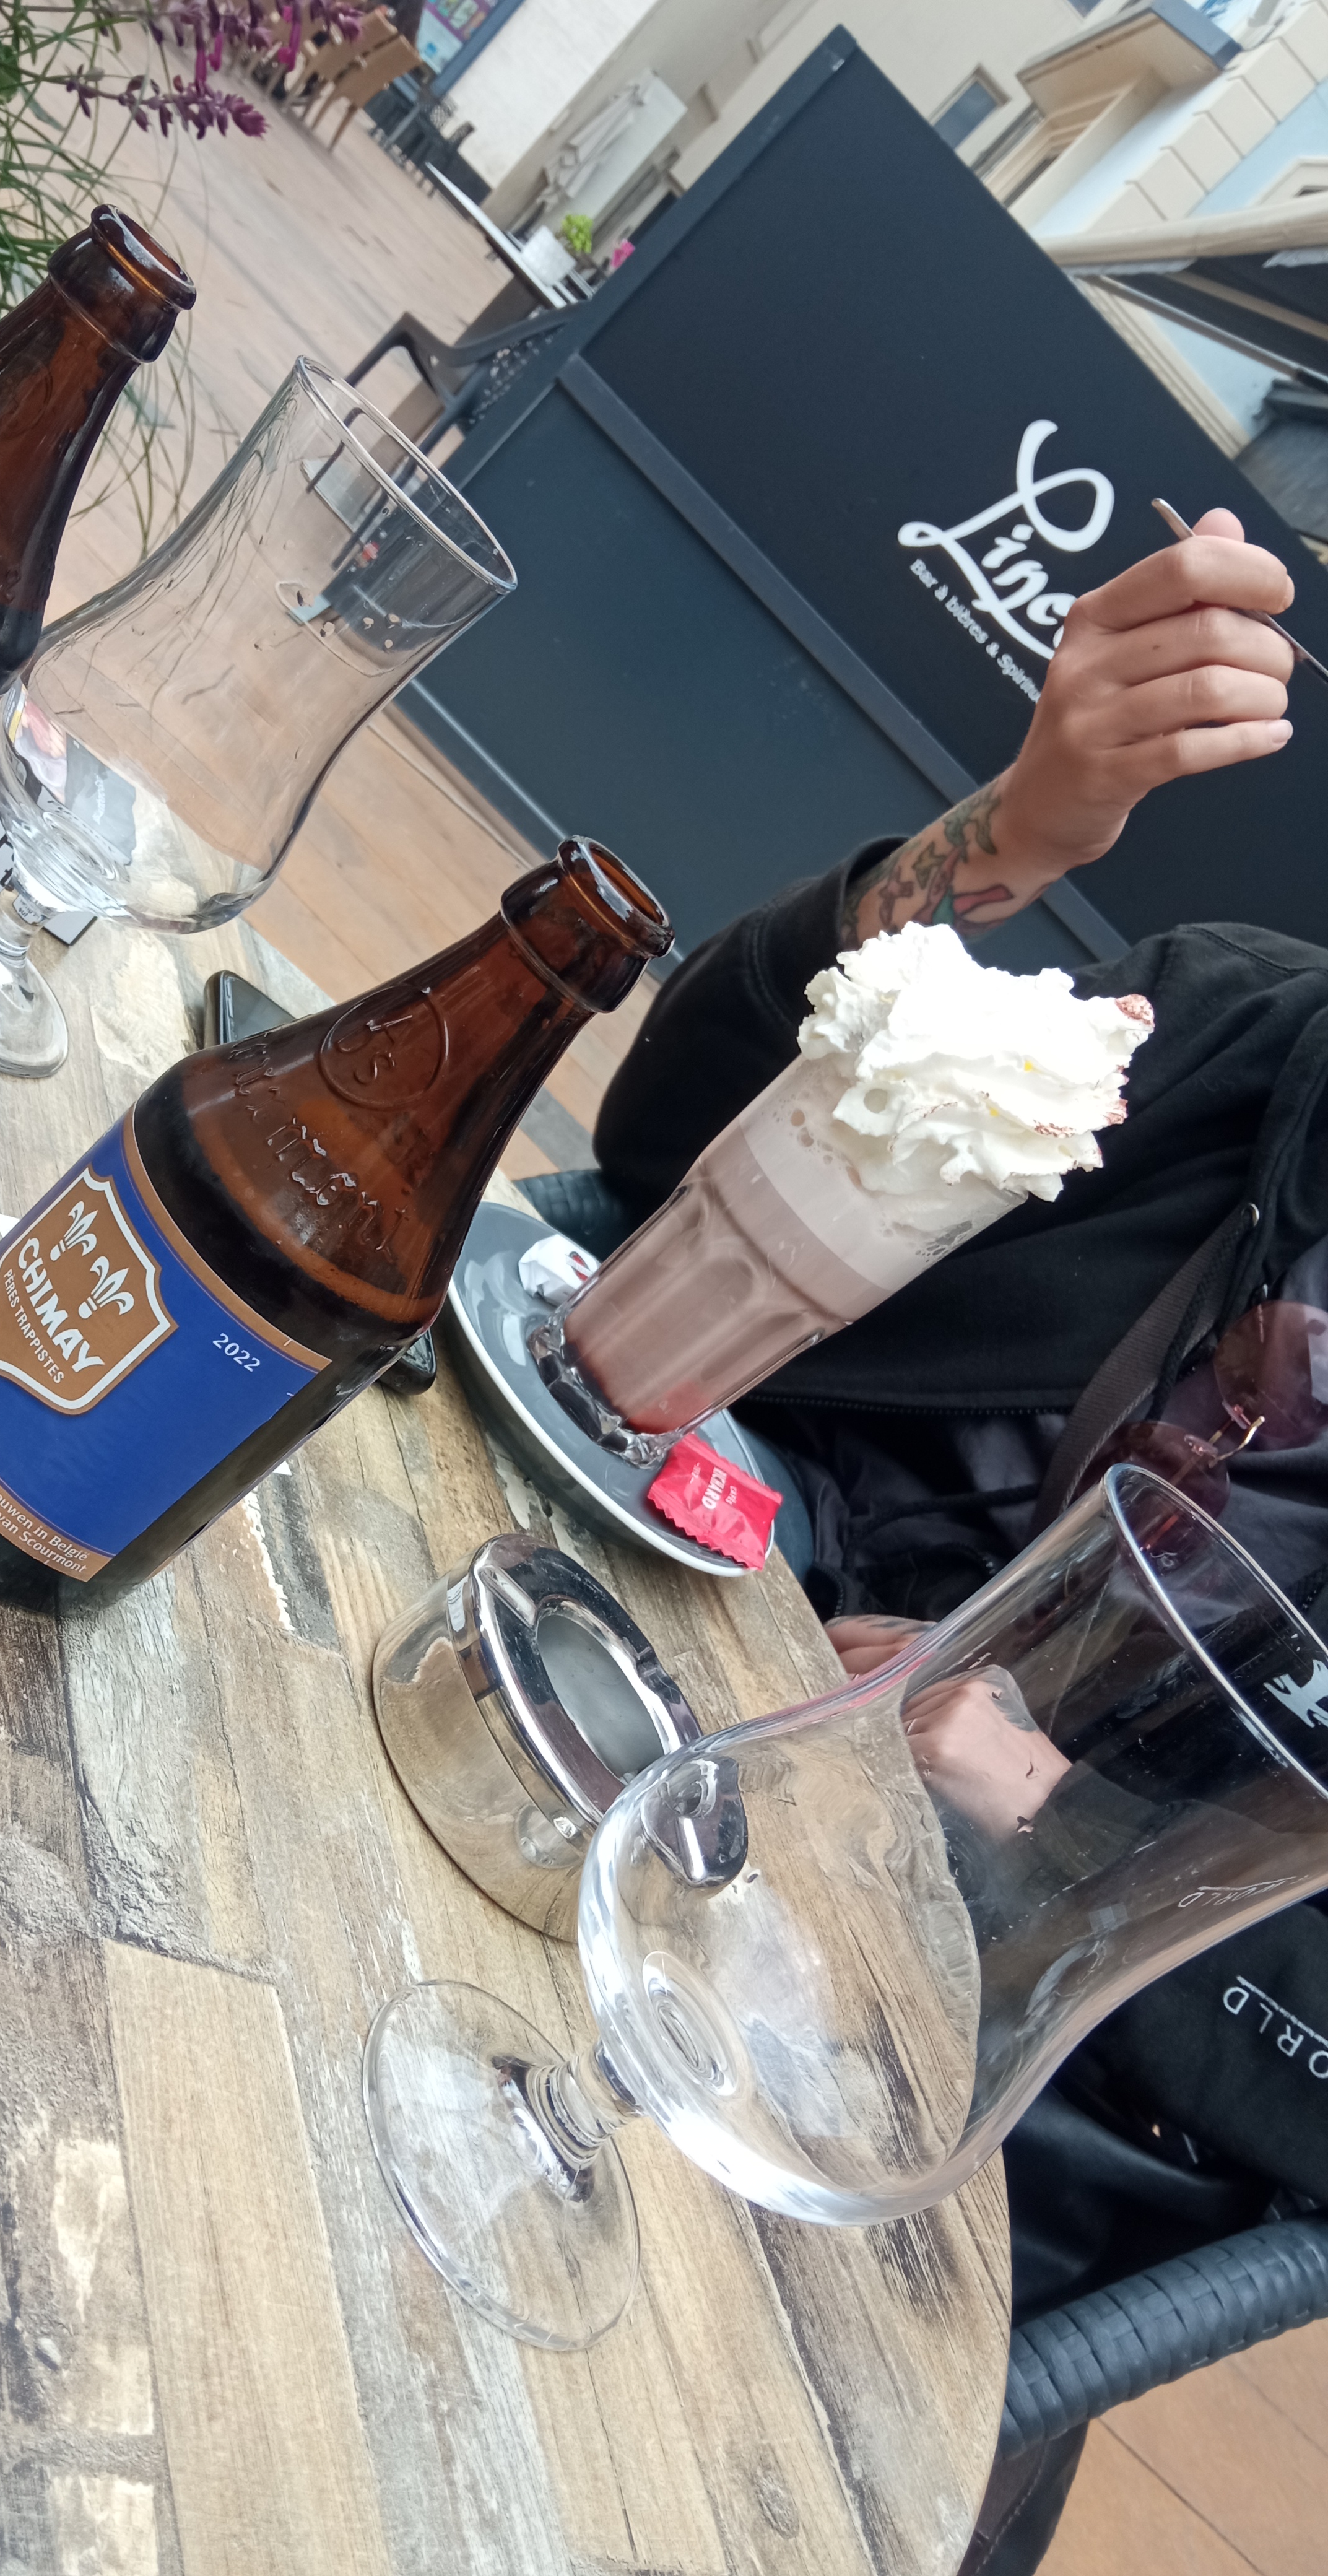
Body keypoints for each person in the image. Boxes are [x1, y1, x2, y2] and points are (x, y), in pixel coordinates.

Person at [560, 510, 1328, 2571]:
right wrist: (1007, 842)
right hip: (634, 1695)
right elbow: (664, 1159)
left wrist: (1045, 1814)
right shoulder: (1253, 1044)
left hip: (961, 2149)